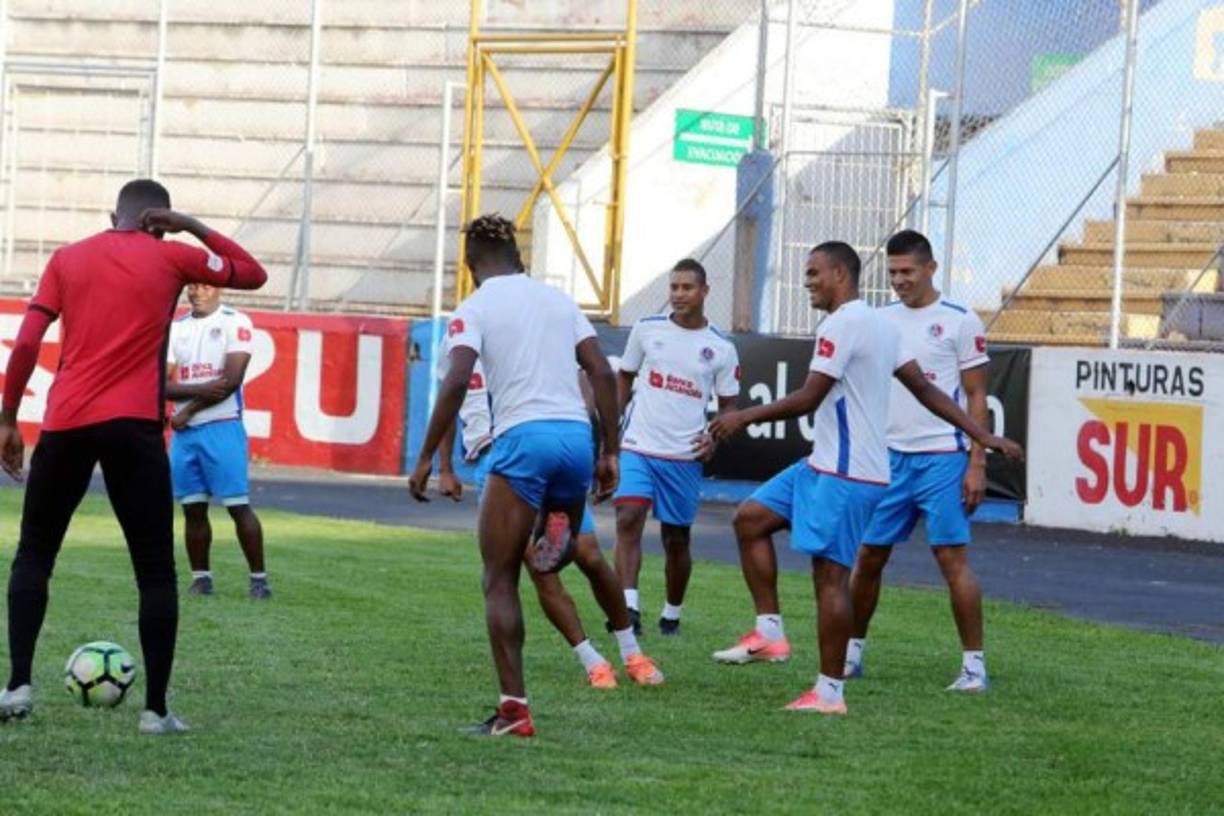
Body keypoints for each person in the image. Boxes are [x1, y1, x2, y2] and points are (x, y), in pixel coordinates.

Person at [708, 241, 1021, 716]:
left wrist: (743, 416)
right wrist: (984, 435)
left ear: (840, 273)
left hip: (847, 472)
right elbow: (924, 389)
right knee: (750, 518)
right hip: (827, 464)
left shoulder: (846, 322)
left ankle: (830, 693)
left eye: (814, 273)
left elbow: (810, 397)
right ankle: (769, 634)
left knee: (831, 576)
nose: (808, 281)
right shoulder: (881, 322)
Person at [0, 179, 267, 733]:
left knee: (34, 555)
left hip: (67, 421)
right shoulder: (172, 256)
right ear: (159, 217)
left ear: (112, 213)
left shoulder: (68, 259)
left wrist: (7, 418)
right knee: (154, 572)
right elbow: (250, 272)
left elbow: (26, 343)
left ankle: (18, 686)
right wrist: (190, 225)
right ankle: (156, 711)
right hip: (134, 426)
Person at [408, 214, 624, 738]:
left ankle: (514, 711)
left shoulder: (475, 307)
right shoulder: (559, 300)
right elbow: (601, 371)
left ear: (469, 263)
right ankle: (560, 524)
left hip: (522, 439)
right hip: (575, 437)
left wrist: (426, 459)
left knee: (500, 576)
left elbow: (458, 378)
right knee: (552, 549)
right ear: (519, 257)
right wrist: (610, 452)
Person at [435, 359, 662, 689]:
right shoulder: (462, 331)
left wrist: (594, 448)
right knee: (540, 564)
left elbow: (589, 385)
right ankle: (593, 661)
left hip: (543, 444)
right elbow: (450, 398)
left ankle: (633, 653)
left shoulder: (538, 321)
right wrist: (444, 466)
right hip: (493, 458)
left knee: (590, 557)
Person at [845, 230, 991, 691]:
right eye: (892, 273)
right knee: (867, 556)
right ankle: (850, 655)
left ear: (930, 269)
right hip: (887, 458)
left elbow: (976, 394)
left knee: (951, 560)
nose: (899, 280)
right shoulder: (879, 319)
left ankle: (973, 667)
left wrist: (977, 462)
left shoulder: (961, 320)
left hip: (942, 459)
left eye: (907, 271)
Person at [612, 259, 740, 636]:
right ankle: (629, 608)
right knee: (628, 517)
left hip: (684, 455)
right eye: (674, 287)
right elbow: (624, 376)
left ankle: (671, 613)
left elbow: (731, 406)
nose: (678, 294)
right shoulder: (646, 329)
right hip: (639, 443)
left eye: (687, 287)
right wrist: (615, 425)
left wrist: (713, 437)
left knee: (676, 538)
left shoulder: (720, 347)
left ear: (704, 292)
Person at [166, 282, 269, 600]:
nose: (196, 292)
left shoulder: (235, 321)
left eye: (204, 287)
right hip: (185, 434)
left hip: (222, 426)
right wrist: (202, 391)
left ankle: (258, 579)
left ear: (218, 289)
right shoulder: (175, 329)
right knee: (192, 509)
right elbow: (159, 384)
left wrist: (190, 408)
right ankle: (201, 578)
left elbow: (231, 380)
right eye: (191, 287)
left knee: (238, 507)